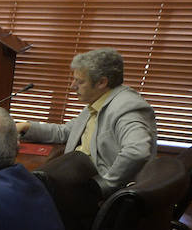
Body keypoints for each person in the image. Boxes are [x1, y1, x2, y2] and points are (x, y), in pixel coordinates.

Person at [19, 47, 156, 198]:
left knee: (23, 189)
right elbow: (66, 132)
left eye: (80, 81)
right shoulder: (99, 101)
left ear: (102, 82)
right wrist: (27, 127)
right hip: (73, 171)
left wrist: (103, 185)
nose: (73, 86)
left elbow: (138, 151)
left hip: (90, 187)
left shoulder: (126, 108)